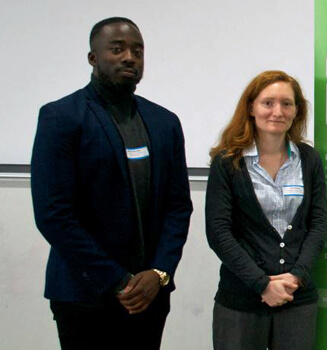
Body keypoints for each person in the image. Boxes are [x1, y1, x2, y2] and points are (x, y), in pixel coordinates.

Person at [30, 17, 193, 349]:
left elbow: (178, 208)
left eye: (137, 50)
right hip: (84, 296)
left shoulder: (165, 122)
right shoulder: (61, 118)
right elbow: (53, 215)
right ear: (93, 58)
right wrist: (118, 281)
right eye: (117, 49)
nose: (129, 57)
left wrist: (160, 273)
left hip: (150, 296)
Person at [205, 70, 327, 350]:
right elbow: (218, 232)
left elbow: (319, 224)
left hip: (297, 297)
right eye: (268, 103)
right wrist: (262, 284)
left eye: (287, 103)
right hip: (241, 299)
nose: (278, 111)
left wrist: (296, 276)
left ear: (297, 110)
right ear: (251, 107)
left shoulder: (308, 159)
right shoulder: (227, 162)